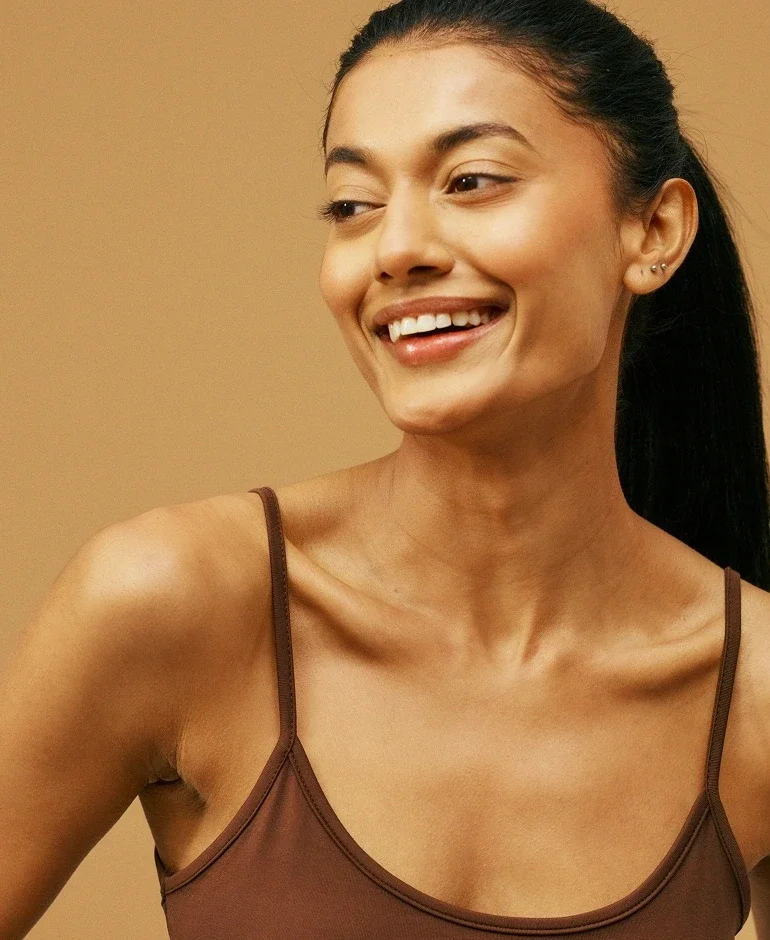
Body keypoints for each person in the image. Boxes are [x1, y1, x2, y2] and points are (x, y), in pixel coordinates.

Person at [1, 0, 770, 937]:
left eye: (473, 180)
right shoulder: (174, 600)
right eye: (353, 205)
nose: (395, 249)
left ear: (652, 231)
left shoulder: (758, 694)